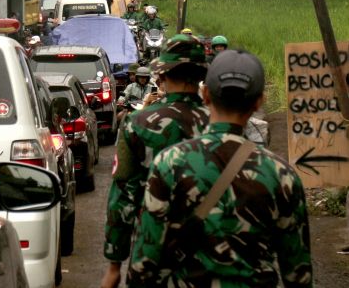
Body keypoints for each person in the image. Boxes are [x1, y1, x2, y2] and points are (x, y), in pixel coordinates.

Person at [129, 49, 312, 287]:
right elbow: (298, 275)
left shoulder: (169, 164)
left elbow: (143, 264)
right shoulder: (282, 175)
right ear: (259, 101)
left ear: (205, 95)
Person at [101, 35, 209, 288]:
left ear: (161, 76)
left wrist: (114, 264)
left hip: (154, 250)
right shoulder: (216, 123)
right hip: (214, 253)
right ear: (200, 75)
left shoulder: (137, 124)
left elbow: (124, 196)